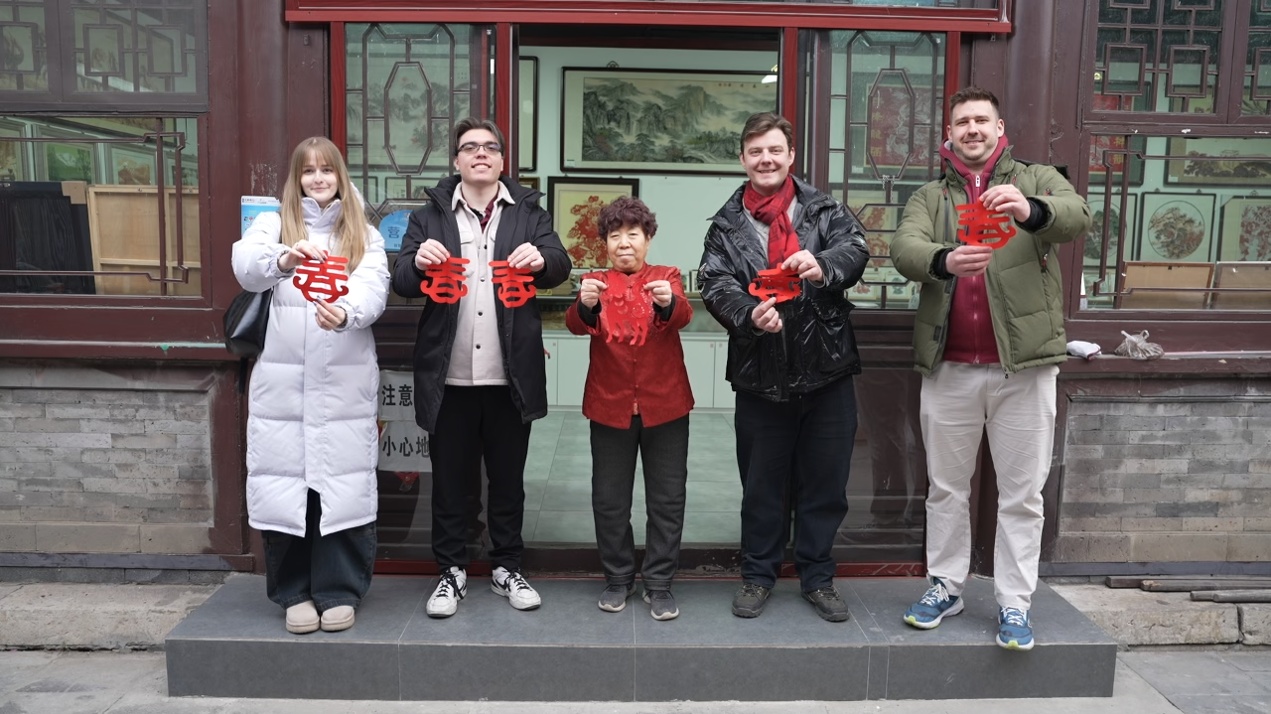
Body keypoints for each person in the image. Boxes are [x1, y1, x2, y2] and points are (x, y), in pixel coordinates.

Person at [890, 86, 1091, 651]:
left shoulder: (1036, 178)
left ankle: (1014, 602)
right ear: (949, 135)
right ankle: (946, 586)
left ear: (1000, 129)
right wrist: (945, 260)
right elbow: (904, 248)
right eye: (962, 122)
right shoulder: (930, 195)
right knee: (945, 488)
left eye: (982, 120)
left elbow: (1077, 217)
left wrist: (1029, 210)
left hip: (1022, 368)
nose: (972, 129)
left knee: (1022, 494)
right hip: (948, 366)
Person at [391, 117, 570, 618]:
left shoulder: (529, 212)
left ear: (502, 160)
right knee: (451, 482)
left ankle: (506, 566)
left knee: (508, 481)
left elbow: (560, 264)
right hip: (448, 376)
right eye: (470, 147)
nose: (480, 154)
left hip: (509, 375)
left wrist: (542, 259)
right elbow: (400, 279)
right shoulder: (429, 216)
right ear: (456, 160)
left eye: (490, 147)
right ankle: (451, 571)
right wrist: (418, 262)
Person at [698, 112, 870, 622]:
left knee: (825, 485)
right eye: (755, 151)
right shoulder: (726, 225)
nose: (766, 159)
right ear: (743, 159)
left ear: (791, 155)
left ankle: (818, 577)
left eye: (775, 150)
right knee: (761, 487)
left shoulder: (823, 210)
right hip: (760, 374)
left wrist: (824, 265)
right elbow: (714, 283)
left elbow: (856, 250)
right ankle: (758, 575)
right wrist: (748, 315)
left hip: (827, 368)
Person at [231, 136, 390, 634]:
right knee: (286, 484)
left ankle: (340, 589)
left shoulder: (362, 232)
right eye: (308, 170)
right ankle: (293, 591)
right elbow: (245, 266)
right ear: (296, 178)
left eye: (326, 169)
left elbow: (374, 289)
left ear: (340, 175)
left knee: (342, 484)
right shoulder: (273, 223)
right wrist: (283, 260)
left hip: (344, 380)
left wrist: (345, 312)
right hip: (283, 384)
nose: (318, 179)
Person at [565, 196, 693, 621]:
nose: (624, 243)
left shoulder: (667, 276)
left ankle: (659, 583)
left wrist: (667, 302)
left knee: (667, 499)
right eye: (615, 235)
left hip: (666, 405)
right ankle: (618, 577)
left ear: (648, 240)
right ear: (604, 243)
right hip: (610, 406)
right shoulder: (595, 281)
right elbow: (575, 324)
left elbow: (682, 315)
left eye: (633, 234)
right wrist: (584, 304)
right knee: (610, 499)